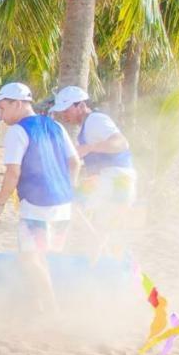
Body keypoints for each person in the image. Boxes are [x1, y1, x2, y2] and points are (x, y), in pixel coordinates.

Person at [0, 82, 81, 313]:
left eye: (2, 108)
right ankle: (38, 306)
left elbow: (13, 172)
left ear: (18, 104)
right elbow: (74, 163)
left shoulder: (18, 131)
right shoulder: (55, 126)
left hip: (36, 205)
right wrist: (67, 188)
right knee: (41, 259)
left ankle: (52, 310)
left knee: (29, 259)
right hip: (62, 205)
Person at [51, 85, 135, 257]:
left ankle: (60, 252)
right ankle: (100, 260)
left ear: (81, 105)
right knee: (103, 229)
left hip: (117, 180)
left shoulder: (96, 120)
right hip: (112, 180)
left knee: (72, 206)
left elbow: (121, 143)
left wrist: (89, 148)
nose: (63, 115)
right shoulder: (88, 125)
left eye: (66, 110)